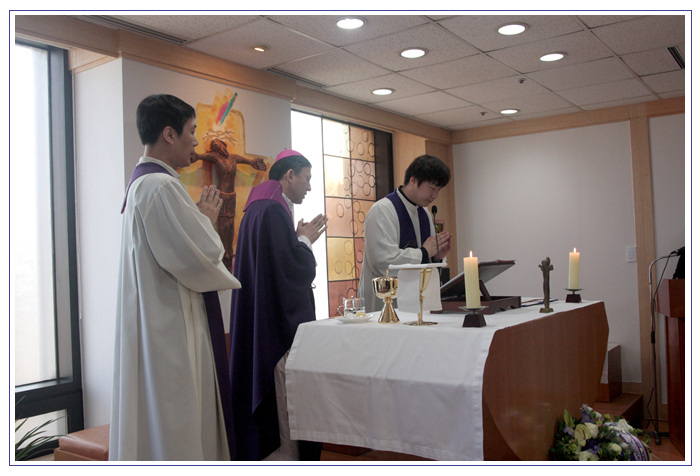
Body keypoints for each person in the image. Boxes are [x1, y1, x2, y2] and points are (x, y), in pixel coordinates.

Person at [110, 94, 241, 461]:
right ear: (169, 134)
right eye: (191, 131)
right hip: (171, 327)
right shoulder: (161, 186)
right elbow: (199, 254)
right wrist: (206, 220)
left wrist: (198, 221)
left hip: (156, 321)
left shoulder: (143, 185)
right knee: (178, 422)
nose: (196, 142)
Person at [228, 149, 327, 461]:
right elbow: (291, 272)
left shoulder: (259, 206)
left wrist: (296, 240)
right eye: (307, 178)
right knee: (283, 410)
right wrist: (305, 241)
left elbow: (275, 268)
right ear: (290, 175)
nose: (309, 187)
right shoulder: (273, 210)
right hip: (274, 331)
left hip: (260, 318)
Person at [359, 154, 453, 313]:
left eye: (438, 190)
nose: (435, 196)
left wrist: (435, 257)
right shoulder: (383, 210)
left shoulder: (425, 214)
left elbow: (426, 257)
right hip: (385, 305)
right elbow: (385, 263)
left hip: (418, 303)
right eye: (432, 188)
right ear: (413, 180)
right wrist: (424, 253)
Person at [191, 139, 268, 271]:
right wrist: (196, 156)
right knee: (223, 225)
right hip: (221, 196)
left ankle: (229, 252)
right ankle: (223, 254)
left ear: (224, 145)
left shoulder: (233, 158)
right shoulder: (216, 157)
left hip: (231, 196)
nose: (218, 148)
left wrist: (253, 162)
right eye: (215, 147)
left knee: (230, 224)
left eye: (219, 145)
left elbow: (248, 161)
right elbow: (201, 156)